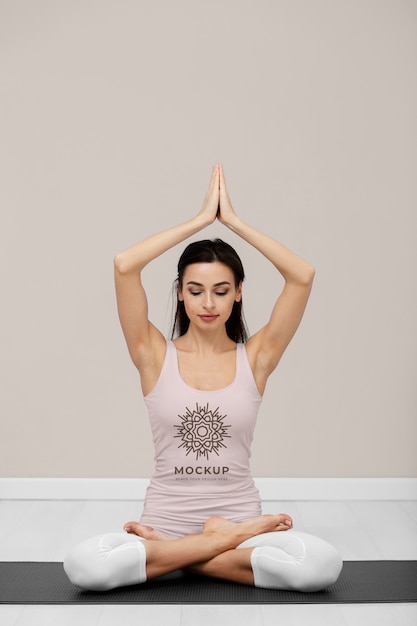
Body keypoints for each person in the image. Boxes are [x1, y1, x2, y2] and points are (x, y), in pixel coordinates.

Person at [64, 164, 343, 592]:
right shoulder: (154, 355)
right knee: (84, 568)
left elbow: (301, 276)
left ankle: (182, 555)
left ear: (239, 291)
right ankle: (217, 544)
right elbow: (124, 266)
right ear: (179, 291)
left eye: (221, 290)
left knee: (321, 566)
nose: (208, 302)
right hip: (169, 520)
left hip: (227, 520)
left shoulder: (257, 358)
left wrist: (232, 222)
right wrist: (198, 221)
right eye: (195, 290)